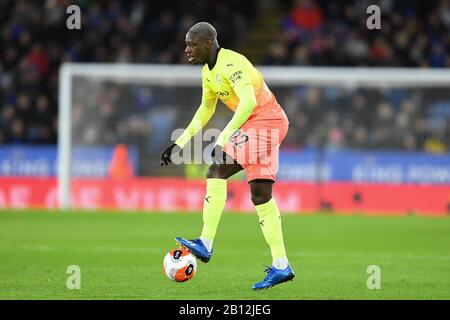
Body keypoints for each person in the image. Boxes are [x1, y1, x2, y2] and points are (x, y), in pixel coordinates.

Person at [160, 22, 294, 290]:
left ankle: (205, 243)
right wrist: (181, 142)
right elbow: (205, 109)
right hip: (262, 124)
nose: (187, 49)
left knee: (216, 170)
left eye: (191, 44)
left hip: (266, 122)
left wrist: (223, 138)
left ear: (207, 44)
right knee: (260, 195)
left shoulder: (232, 63)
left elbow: (249, 102)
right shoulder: (208, 73)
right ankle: (281, 266)